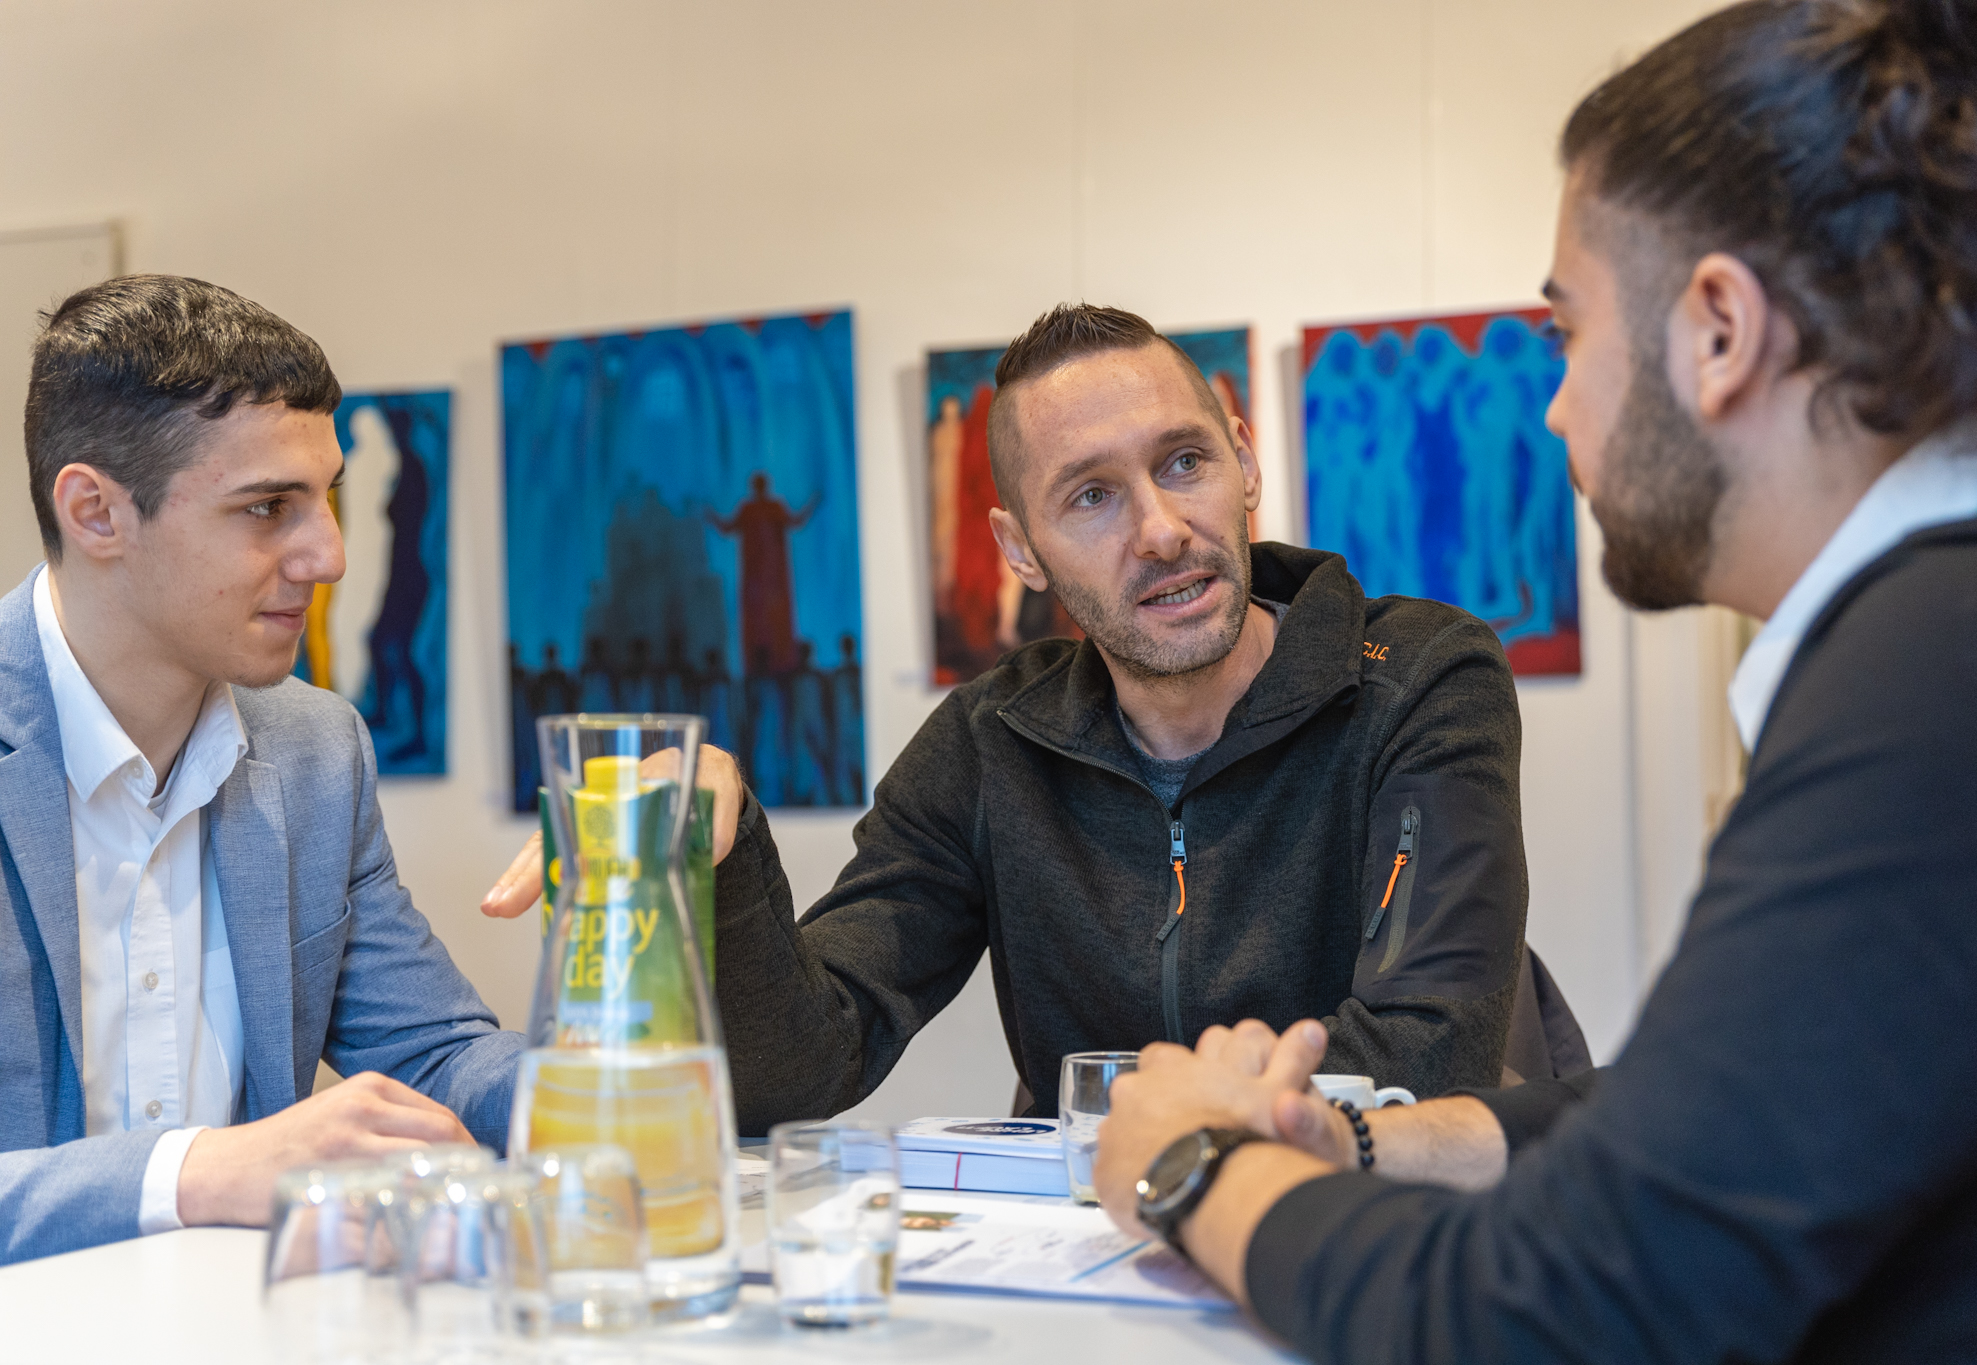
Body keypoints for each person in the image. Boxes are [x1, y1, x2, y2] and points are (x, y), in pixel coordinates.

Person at [1089, 2, 1977, 1360]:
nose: (1555, 409)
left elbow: (1556, 1311)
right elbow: (1710, 1117)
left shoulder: (1943, 681)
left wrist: (1192, 1172)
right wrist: (1353, 1138)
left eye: (1568, 334)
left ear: (1719, 330)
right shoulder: (1973, 631)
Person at [486, 302, 1546, 1132]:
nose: (1161, 530)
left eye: (1184, 463)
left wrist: (1153, 1149)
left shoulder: (1417, 674)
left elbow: (1424, 1053)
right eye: (1091, 496)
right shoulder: (990, 741)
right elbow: (801, 1068)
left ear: (1244, 460)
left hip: (1400, 1232)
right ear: (1019, 549)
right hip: (1101, 1262)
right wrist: (718, 854)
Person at [0, 276, 520, 1264]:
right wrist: (198, 1171)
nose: (328, 556)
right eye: (269, 507)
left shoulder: (318, 750)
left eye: (328, 499)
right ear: (96, 513)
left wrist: (626, 1082)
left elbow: (434, 1057)